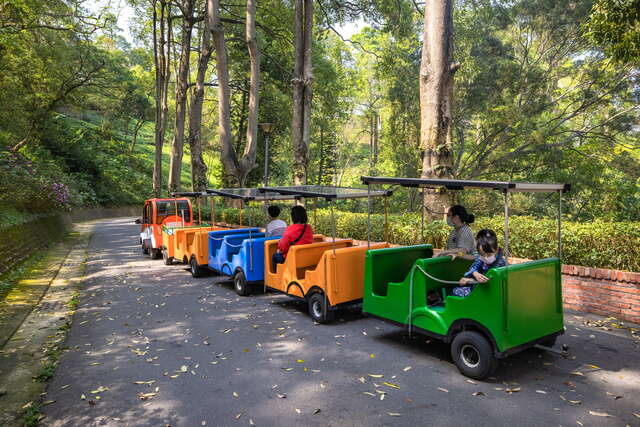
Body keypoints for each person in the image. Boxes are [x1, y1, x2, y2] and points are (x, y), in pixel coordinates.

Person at [453, 229, 506, 296]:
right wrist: (457, 254)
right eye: (482, 239)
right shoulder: (480, 257)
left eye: (489, 254)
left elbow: (490, 282)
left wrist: (471, 280)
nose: (486, 258)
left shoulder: (501, 263)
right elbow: (470, 258)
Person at [272, 205, 314, 270]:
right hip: (307, 258)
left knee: (275, 256)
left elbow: (283, 248)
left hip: (293, 258)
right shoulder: (309, 227)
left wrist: (280, 243)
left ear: (293, 216)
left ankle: (277, 277)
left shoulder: (290, 229)